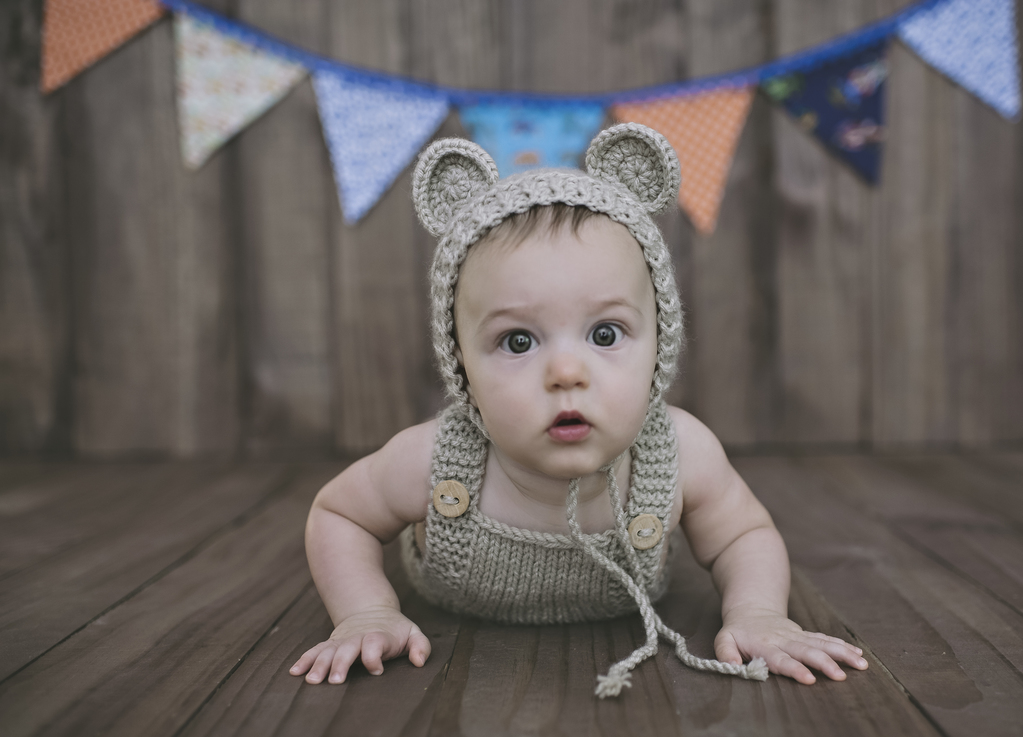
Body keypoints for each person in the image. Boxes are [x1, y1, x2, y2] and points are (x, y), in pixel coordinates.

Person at [291, 124, 868, 697]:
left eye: (605, 333)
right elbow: (341, 515)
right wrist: (366, 612)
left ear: (659, 344)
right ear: (461, 364)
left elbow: (743, 535)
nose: (566, 372)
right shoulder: (431, 461)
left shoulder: (680, 454)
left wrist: (758, 613)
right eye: (518, 341)